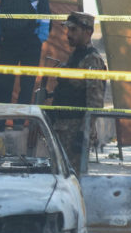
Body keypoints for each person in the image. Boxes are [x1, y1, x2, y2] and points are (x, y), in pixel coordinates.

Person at [45, 12, 106, 166]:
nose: (68, 34)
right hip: (62, 127)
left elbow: (95, 102)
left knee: (74, 180)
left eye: (74, 30)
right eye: (68, 30)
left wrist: (83, 133)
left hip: (75, 131)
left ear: (88, 32)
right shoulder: (75, 56)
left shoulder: (92, 60)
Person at [0, 0, 51, 105]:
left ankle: (19, 122)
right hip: (9, 43)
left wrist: (39, 40)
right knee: (3, 83)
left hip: (30, 44)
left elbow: (46, 19)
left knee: (27, 85)